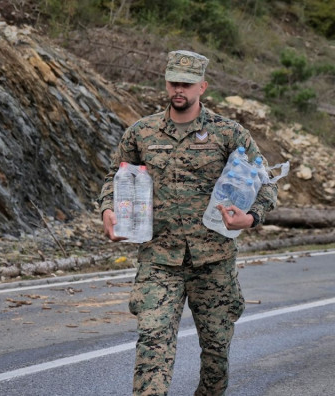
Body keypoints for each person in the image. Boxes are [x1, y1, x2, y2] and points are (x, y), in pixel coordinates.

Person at [98, 50, 278, 396]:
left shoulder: (228, 134)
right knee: (153, 342)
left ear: (203, 87)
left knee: (215, 351)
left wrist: (251, 217)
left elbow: (265, 183)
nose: (178, 90)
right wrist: (108, 210)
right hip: (159, 258)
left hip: (214, 260)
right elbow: (115, 177)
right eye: (173, 83)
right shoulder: (141, 133)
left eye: (186, 84)